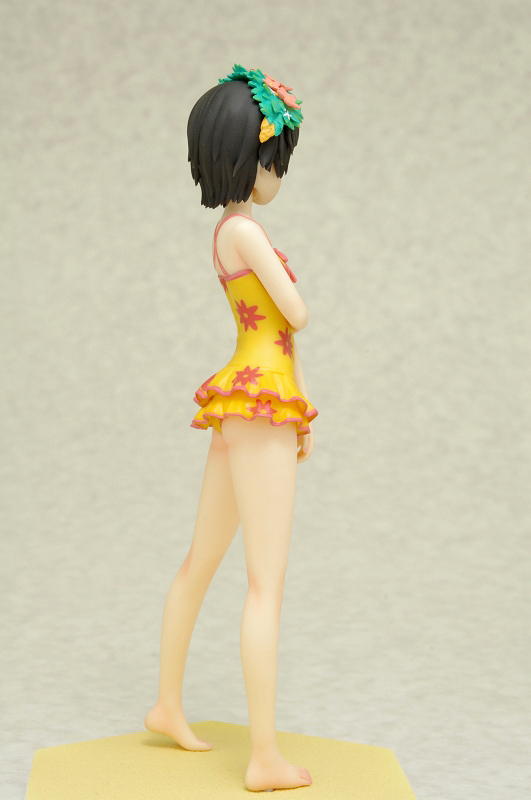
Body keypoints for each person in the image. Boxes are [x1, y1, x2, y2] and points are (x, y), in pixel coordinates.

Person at [145, 65, 317, 792]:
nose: (278, 173)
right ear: (250, 157)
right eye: (274, 159)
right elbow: (295, 315)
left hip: (246, 399)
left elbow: (272, 327)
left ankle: (166, 704)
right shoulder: (245, 231)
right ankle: (264, 756)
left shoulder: (225, 231)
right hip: (260, 405)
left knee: (201, 560)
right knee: (264, 586)